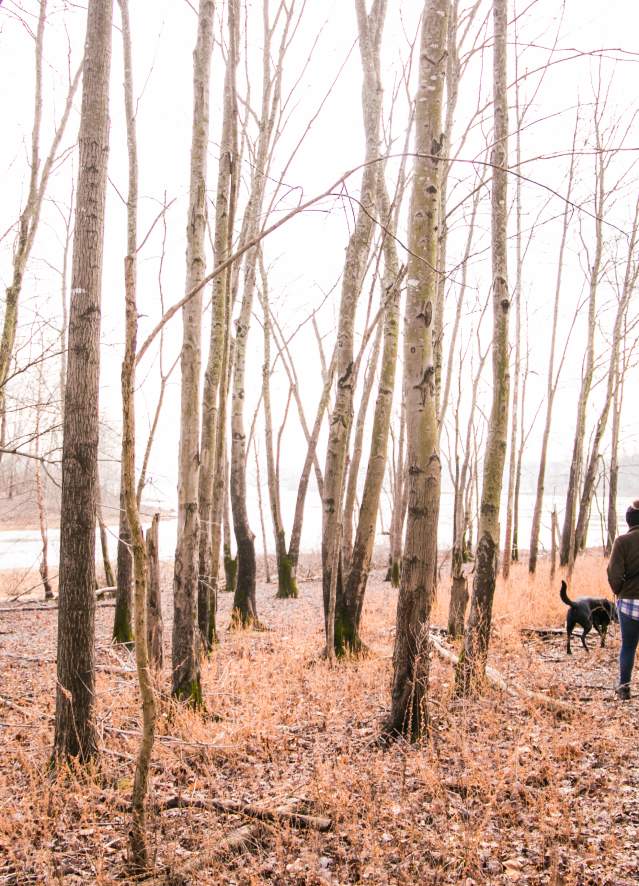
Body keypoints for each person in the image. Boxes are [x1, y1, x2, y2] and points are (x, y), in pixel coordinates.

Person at [607, 500, 639, 700]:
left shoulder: (621, 542)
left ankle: (624, 688)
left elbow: (614, 575)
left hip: (628, 603)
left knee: (628, 646)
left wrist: (619, 590)